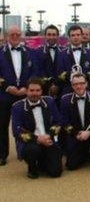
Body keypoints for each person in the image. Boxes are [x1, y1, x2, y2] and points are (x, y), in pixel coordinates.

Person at [0, 26, 38, 165]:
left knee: (25, 124)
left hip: (24, 94)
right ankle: (2, 154)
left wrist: (26, 88)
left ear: (21, 35)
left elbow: (35, 71)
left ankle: (23, 150)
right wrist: (7, 87)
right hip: (4, 95)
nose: (15, 36)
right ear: (7, 36)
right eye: (12, 34)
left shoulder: (30, 52)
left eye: (17, 34)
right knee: (2, 124)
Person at [11, 78, 63, 179]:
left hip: (48, 139)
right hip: (31, 142)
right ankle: (32, 168)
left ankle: (42, 161)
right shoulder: (17, 107)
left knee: (56, 172)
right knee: (33, 150)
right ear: (26, 91)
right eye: (31, 90)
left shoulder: (49, 101)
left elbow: (58, 121)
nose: (35, 93)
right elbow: (16, 131)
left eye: (37, 90)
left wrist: (49, 136)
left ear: (41, 91)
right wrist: (37, 139)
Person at [61, 73, 90, 170]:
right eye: (76, 84)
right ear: (72, 86)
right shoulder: (65, 100)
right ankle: (85, 154)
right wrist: (76, 133)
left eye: (81, 83)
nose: (79, 86)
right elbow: (64, 121)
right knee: (71, 166)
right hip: (76, 133)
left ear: (86, 84)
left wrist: (89, 132)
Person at [57, 25, 90, 94]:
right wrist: (72, 76)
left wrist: (82, 77)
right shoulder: (62, 54)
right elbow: (59, 71)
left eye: (78, 35)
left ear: (82, 36)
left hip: (88, 90)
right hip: (68, 90)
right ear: (69, 38)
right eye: (73, 35)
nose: (76, 37)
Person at [35, 25, 64, 99]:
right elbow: (38, 70)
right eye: (49, 35)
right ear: (45, 36)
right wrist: (50, 85)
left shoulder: (64, 51)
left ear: (58, 36)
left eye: (54, 35)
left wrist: (57, 85)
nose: (51, 37)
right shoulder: (37, 52)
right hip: (44, 90)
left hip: (62, 90)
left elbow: (65, 69)